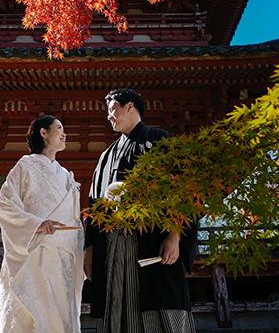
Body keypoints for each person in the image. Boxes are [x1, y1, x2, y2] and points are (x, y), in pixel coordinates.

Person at [84, 89, 198, 333]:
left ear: (130, 107)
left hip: (153, 238)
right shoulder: (106, 156)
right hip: (113, 245)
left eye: (113, 109)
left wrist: (175, 236)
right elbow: (95, 205)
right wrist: (90, 248)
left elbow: (183, 189)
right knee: (117, 306)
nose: (109, 116)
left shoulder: (158, 138)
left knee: (160, 303)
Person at [0, 115, 84, 333]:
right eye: (59, 128)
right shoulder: (26, 165)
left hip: (63, 258)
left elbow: (74, 219)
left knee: (59, 318)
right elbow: (5, 205)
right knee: (28, 317)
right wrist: (37, 223)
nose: (64, 133)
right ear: (43, 132)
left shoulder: (66, 176)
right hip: (34, 250)